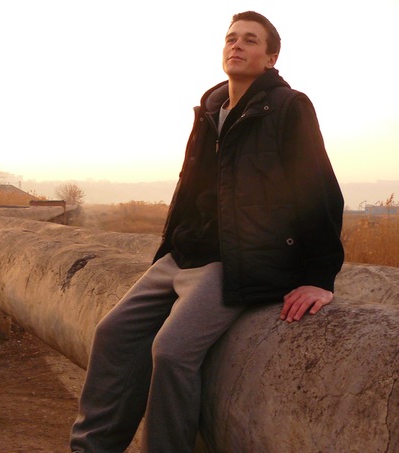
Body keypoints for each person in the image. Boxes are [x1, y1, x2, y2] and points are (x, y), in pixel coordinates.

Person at [70, 10, 344, 453]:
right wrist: (166, 250)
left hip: (236, 261)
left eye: (250, 40)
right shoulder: (210, 110)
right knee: (113, 334)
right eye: (231, 38)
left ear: (271, 57)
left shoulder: (289, 107)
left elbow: (319, 190)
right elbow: (189, 189)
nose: (237, 45)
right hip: (182, 255)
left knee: (171, 351)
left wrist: (320, 276)